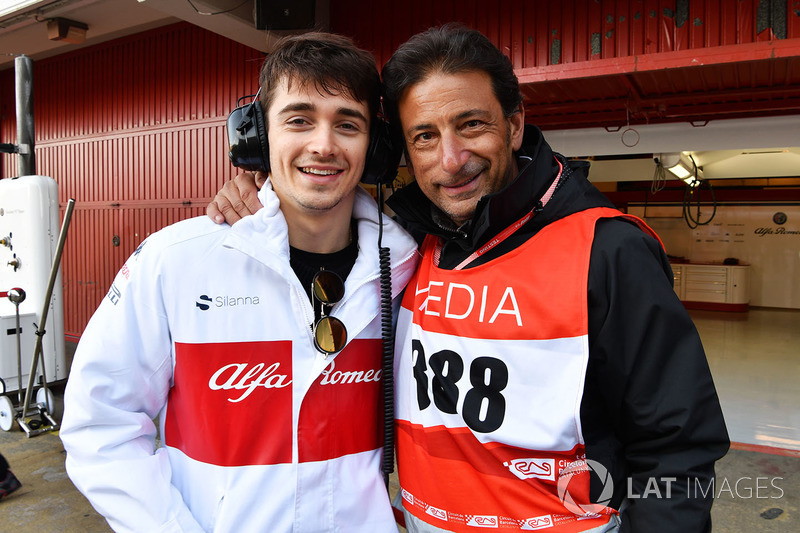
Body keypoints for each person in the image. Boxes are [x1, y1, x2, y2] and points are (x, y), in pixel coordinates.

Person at [207, 24, 729, 533]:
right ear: (401, 154)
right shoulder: (404, 240)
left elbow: (676, 445)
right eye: (425, 136)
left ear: (515, 125)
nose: (450, 161)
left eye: (472, 125)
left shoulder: (609, 248)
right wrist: (263, 189)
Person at [60, 32, 418, 533]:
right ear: (255, 136)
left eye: (347, 124)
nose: (323, 144)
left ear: (374, 147)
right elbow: (101, 425)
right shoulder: (175, 260)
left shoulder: (409, 268)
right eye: (298, 120)